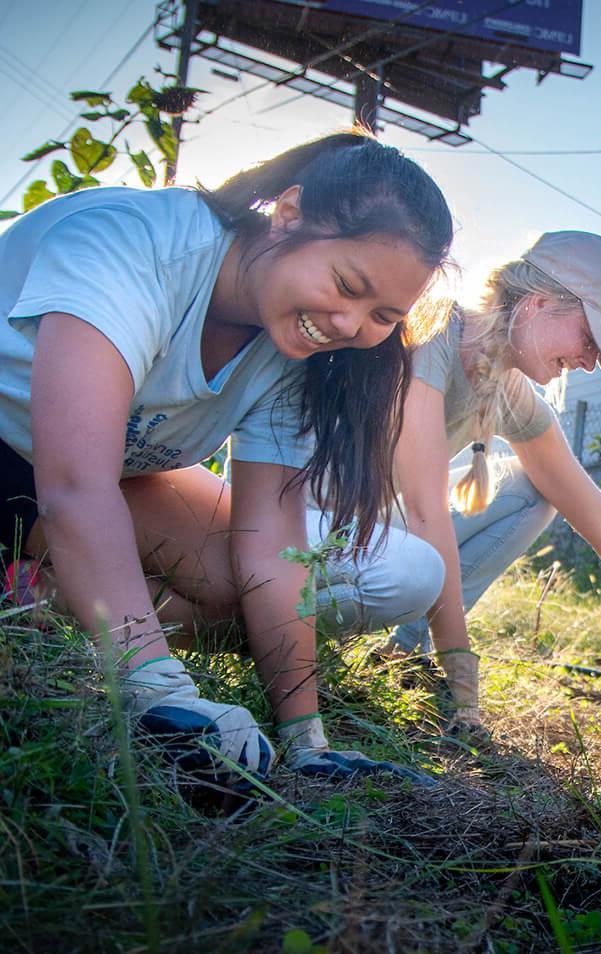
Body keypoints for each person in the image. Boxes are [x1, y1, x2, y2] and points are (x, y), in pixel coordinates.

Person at [0, 130, 451, 794]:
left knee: (233, 588)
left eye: (383, 314)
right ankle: (95, 625)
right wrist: (160, 690)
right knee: (150, 593)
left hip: (107, 476)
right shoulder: (134, 244)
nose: (351, 325)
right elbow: (73, 483)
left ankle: (29, 591)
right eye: (347, 285)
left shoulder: (295, 345)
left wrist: (307, 742)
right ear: (289, 213)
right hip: (37, 465)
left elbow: (270, 551)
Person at [306, 231, 601, 732]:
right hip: (304, 532)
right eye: (588, 339)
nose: (589, 362)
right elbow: (426, 511)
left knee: (535, 489)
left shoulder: (509, 386)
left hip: (366, 532)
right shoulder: (435, 329)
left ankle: (403, 655)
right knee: (419, 551)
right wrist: (462, 669)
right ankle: (293, 632)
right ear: (537, 305)